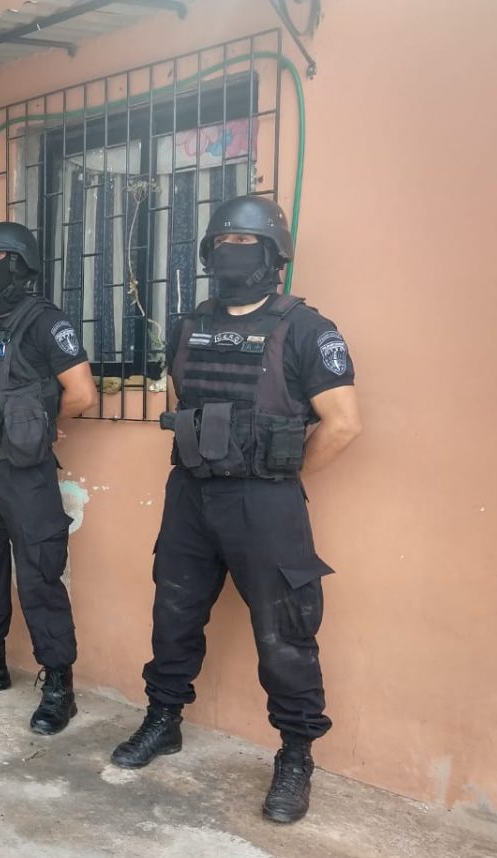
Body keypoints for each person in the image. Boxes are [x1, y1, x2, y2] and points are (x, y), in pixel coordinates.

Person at [109, 195, 362, 825]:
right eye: (223, 242)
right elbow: (186, 398)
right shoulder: (188, 326)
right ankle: (163, 719)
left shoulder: (307, 328)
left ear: (274, 255)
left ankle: (296, 755)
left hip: (265, 501)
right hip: (191, 494)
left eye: (246, 243)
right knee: (173, 613)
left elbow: (343, 423)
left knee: (285, 632)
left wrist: (280, 473)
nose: (232, 253)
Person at [0, 222, 98, 736]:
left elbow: (82, 393)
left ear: (21, 264)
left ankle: (59, 687)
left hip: (25, 475)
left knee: (39, 577)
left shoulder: (46, 321)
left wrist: (40, 425)